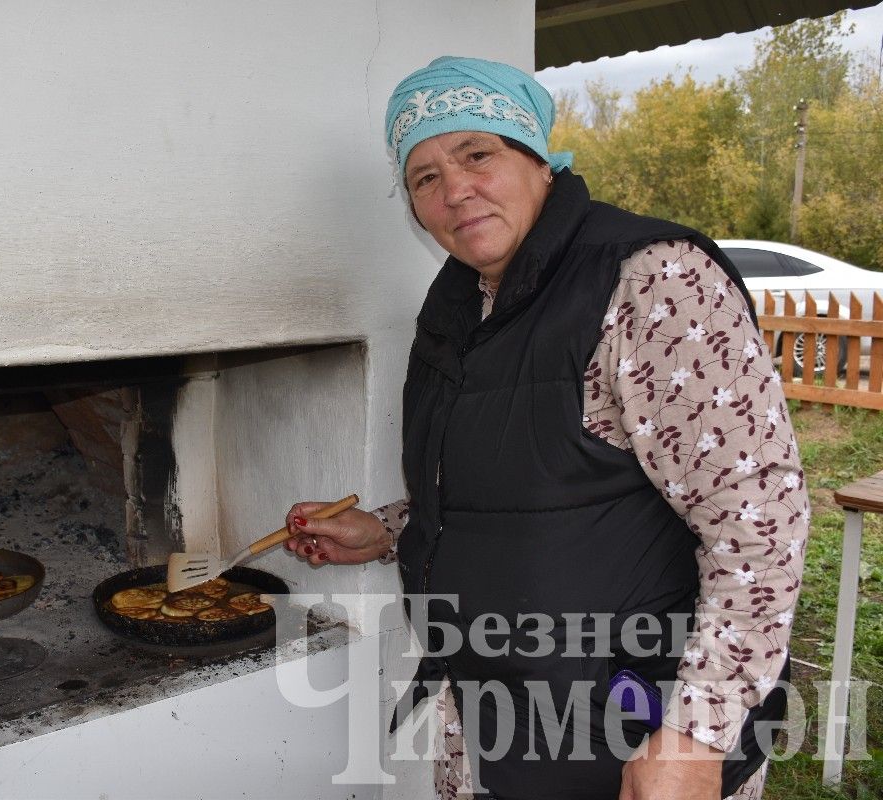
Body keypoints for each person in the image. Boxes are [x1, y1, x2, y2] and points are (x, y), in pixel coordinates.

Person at [284, 57, 808, 800]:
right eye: (424, 176)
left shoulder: (652, 279)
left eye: (476, 154)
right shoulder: (462, 304)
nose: (454, 189)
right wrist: (392, 529)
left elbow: (760, 522)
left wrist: (698, 737)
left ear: (538, 156)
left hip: (635, 729)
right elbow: (523, 490)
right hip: (501, 720)